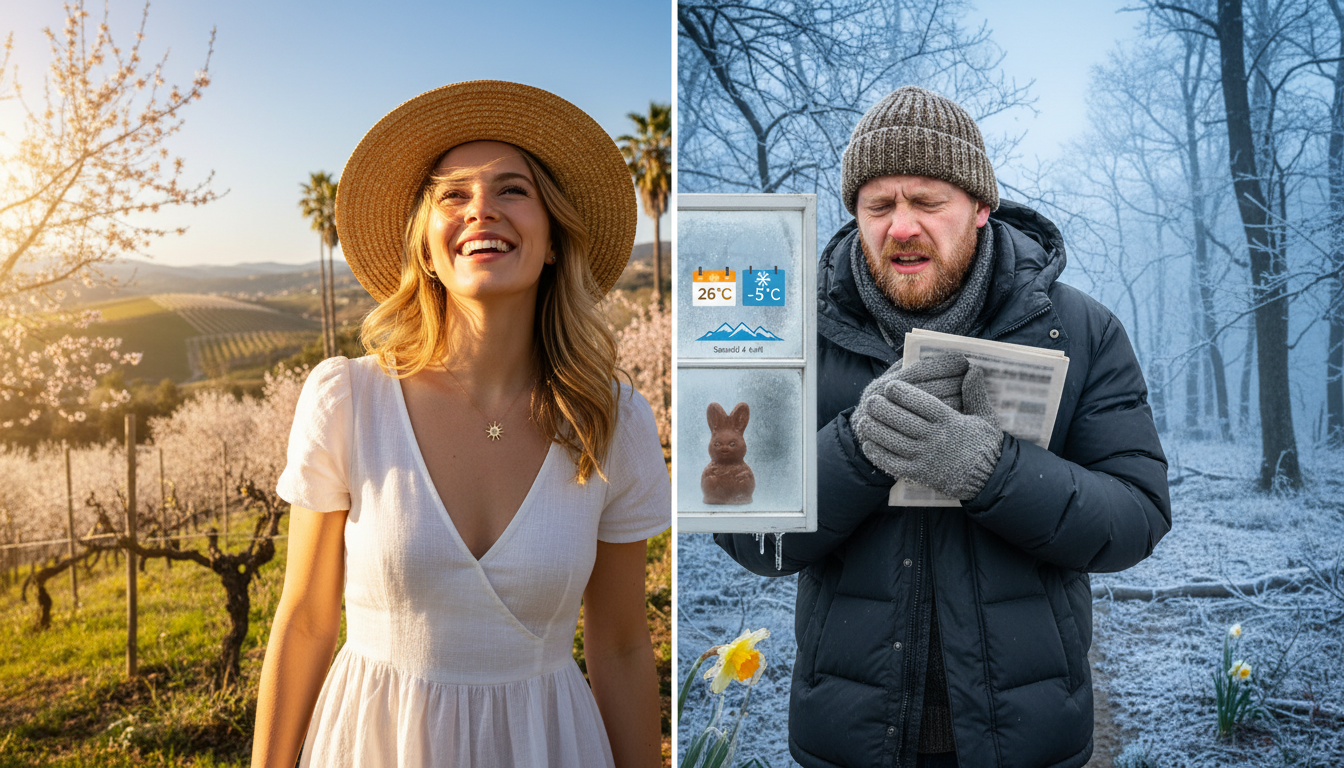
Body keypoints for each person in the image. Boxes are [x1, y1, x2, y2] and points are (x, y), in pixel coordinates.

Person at [715, 86, 1171, 768]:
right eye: (879, 205)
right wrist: (858, 450)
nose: (901, 226)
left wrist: (991, 469)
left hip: (1028, 735)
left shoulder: (1081, 331)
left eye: (927, 201)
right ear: (857, 214)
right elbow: (747, 537)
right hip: (849, 737)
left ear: (980, 208)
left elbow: (1135, 518)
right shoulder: (787, 334)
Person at [251, 81, 669, 768]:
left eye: (512, 190)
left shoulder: (613, 421)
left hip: (550, 747)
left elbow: (622, 644)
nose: (481, 210)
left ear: (555, 238)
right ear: (425, 244)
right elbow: (303, 623)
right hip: (374, 744)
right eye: (453, 194)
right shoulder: (347, 400)